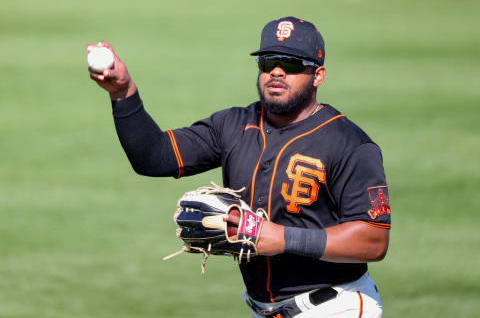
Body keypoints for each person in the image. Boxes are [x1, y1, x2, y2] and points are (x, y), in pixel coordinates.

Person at [88, 16, 391, 318]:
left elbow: (373, 240)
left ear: (318, 75)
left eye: (292, 64)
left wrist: (280, 237)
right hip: (263, 310)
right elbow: (154, 157)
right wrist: (123, 93)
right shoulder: (233, 125)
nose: (276, 71)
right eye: (268, 61)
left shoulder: (349, 144)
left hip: (336, 307)